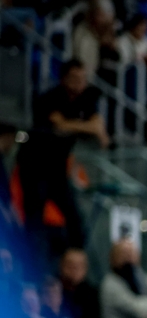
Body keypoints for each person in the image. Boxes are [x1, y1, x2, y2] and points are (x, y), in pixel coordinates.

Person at [18, 58, 105, 255]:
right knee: (34, 217)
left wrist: (74, 126)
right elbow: (59, 124)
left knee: (74, 217)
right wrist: (84, 126)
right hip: (34, 165)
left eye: (82, 78)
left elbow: (98, 127)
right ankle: (31, 260)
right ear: (64, 78)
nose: (79, 83)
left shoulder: (86, 99)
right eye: (74, 78)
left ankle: (76, 260)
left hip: (57, 169)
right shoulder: (50, 98)